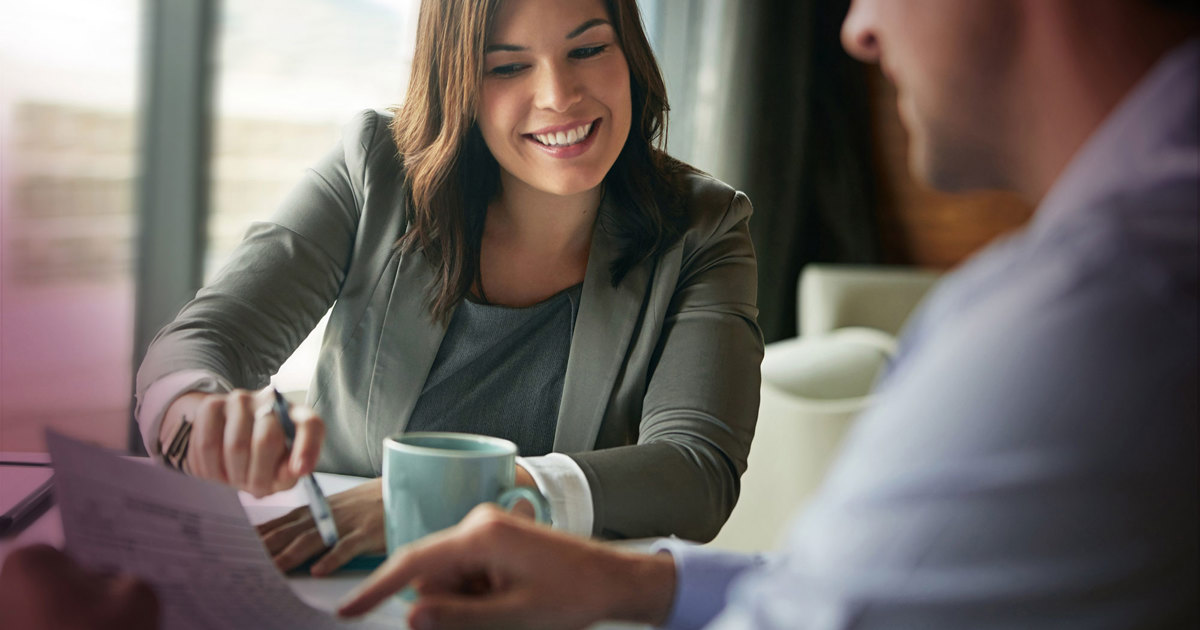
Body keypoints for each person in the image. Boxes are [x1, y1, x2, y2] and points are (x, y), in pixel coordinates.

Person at [334, 0, 1200, 628]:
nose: (859, 27)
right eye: (506, 63)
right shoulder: (1110, 281)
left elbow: (708, 484)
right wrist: (639, 585)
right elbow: (833, 589)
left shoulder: (1094, 316)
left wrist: (521, 493)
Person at [134, 0, 762, 575]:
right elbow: (204, 339)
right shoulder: (375, 167)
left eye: (588, 50)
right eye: (508, 67)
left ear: (631, 53)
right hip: (331, 587)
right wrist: (202, 415)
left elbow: (696, 473)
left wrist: (449, 499)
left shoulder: (704, 229)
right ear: (455, 80)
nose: (558, 95)